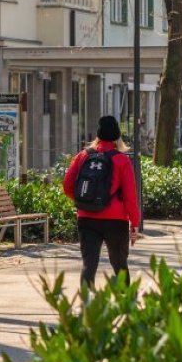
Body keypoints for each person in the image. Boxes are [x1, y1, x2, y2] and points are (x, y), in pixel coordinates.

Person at [63, 115, 144, 293]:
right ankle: (125, 303)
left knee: (89, 264)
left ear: (98, 135)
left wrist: (84, 201)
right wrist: (135, 224)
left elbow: (67, 185)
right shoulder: (121, 160)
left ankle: (87, 305)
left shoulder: (83, 156)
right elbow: (131, 196)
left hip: (86, 218)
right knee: (119, 264)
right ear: (117, 137)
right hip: (116, 220)